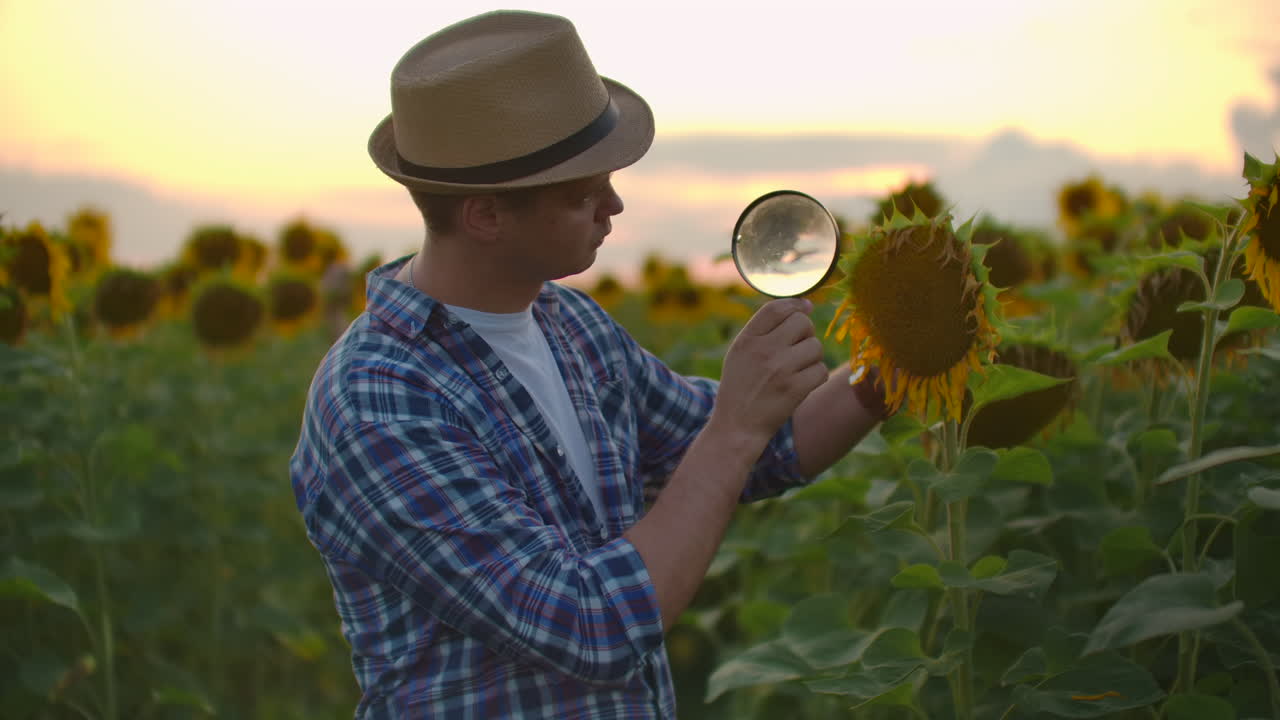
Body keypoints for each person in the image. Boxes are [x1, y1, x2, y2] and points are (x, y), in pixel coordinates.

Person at [289, 10, 888, 719]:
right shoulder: (379, 400)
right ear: (484, 216)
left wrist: (902, 361)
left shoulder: (569, 325)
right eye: (581, 194)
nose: (615, 205)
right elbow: (590, 624)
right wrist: (733, 429)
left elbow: (769, 450)